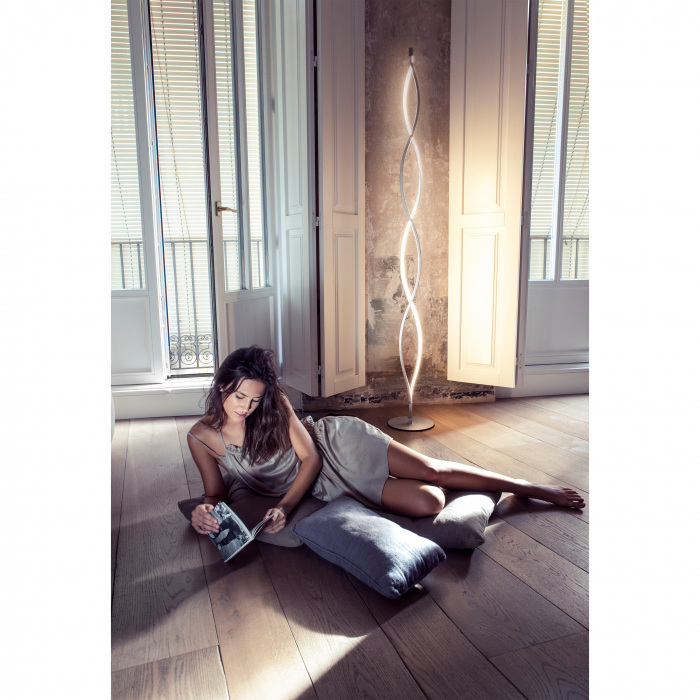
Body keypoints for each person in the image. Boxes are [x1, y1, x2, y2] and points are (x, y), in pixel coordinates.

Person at [187, 346, 585, 537]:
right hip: (324, 489)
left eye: (255, 400)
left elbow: (310, 458)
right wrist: (204, 511)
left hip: (336, 447)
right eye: (240, 397)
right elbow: (215, 493)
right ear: (222, 386)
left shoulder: (275, 403)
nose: (247, 407)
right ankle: (464, 487)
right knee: (430, 502)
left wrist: (285, 507)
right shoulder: (201, 438)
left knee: (433, 470)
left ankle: (529, 487)